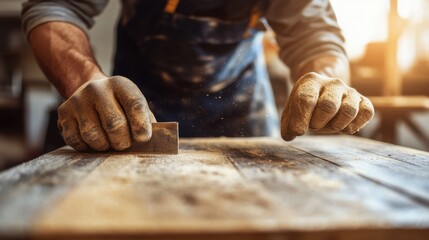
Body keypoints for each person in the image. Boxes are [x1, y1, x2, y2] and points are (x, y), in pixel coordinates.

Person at [21, 0, 374, 151]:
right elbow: (57, 6)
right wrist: (84, 80)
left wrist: (326, 79)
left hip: (243, 111)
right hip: (135, 112)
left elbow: (317, 37)